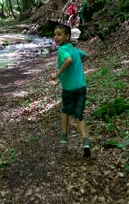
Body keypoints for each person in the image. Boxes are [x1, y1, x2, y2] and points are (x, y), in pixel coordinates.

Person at [51, 25, 91, 157]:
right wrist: (77, 68)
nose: (56, 37)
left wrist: (57, 74)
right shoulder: (74, 49)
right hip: (81, 87)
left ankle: (64, 136)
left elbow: (69, 60)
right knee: (79, 114)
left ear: (67, 37)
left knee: (65, 110)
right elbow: (85, 56)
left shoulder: (62, 49)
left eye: (59, 34)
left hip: (69, 88)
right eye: (55, 34)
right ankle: (85, 141)